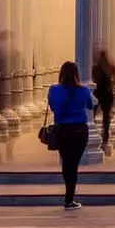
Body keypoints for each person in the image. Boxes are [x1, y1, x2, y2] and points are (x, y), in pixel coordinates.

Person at [48, 60, 96, 211]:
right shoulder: (83, 90)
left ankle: (69, 196)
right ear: (76, 74)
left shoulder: (54, 89)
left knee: (66, 161)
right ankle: (69, 198)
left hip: (63, 129)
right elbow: (90, 105)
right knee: (74, 163)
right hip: (80, 130)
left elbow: (53, 106)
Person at [92, 47, 115, 151]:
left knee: (92, 113)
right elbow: (114, 79)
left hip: (98, 93)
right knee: (106, 118)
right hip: (108, 94)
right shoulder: (111, 67)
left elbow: (94, 80)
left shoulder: (96, 68)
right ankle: (105, 140)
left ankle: (92, 133)